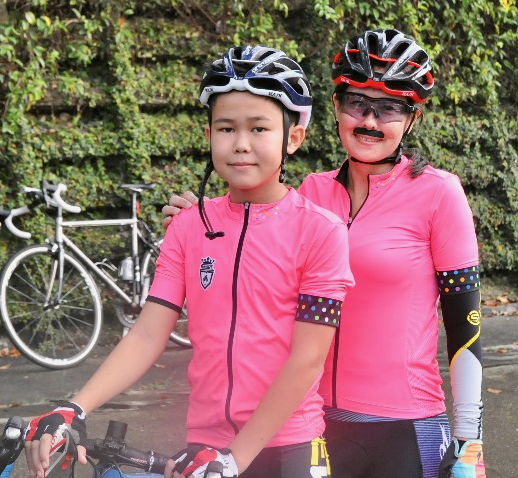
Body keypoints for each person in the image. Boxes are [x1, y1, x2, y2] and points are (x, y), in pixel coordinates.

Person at [164, 29, 486, 478]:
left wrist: (470, 440)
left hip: (405, 426)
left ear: (412, 119)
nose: (369, 120)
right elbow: (253, 230)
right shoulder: (312, 192)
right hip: (312, 424)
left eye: (389, 108)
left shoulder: (439, 194)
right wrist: (199, 217)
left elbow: (465, 326)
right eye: (357, 103)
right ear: (335, 106)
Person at [23, 45, 354, 478]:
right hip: (204, 448)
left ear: (293, 138)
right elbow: (147, 335)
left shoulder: (322, 231)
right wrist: (74, 407)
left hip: (289, 447)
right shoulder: (188, 226)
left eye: (259, 128)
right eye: (226, 128)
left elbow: (307, 359)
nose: (241, 144)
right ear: (208, 134)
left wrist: (235, 459)